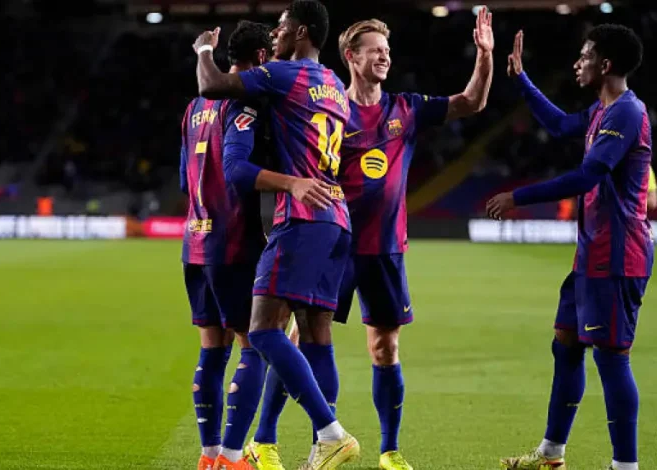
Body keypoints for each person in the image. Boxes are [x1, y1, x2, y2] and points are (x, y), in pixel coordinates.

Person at [247, 10, 494, 470]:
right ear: (351, 56)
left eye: (387, 50)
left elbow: (471, 102)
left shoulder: (407, 107)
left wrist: (485, 56)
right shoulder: (328, 107)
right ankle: (266, 440)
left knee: (385, 348)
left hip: (384, 248)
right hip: (332, 244)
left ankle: (389, 451)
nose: (385, 57)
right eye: (375, 50)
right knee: (297, 337)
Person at [193, 1, 361, 469]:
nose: (275, 36)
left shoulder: (285, 73)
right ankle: (316, 450)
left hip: (302, 216)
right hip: (337, 217)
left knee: (264, 330)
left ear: (300, 32)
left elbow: (212, 86)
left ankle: (330, 434)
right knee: (316, 335)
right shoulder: (335, 85)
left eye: (282, 29)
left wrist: (204, 49)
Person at [487, 24, 652, 470]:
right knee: (566, 343)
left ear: (606, 64)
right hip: (592, 254)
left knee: (612, 358)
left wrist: (517, 197)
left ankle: (625, 466)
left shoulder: (627, 113)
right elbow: (561, 124)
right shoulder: (603, 110)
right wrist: (522, 79)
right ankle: (551, 453)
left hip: (618, 256)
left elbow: (587, 176)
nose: (578, 63)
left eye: (585, 56)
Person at [180, 20, 274, 470]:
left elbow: (185, 180)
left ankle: (209, 455)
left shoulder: (193, 107)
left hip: (194, 241)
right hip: (233, 240)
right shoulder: (244, 103)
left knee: (211, 348)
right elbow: (238, 171)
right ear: (261, 58)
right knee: (255, 344)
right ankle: (234, 458)